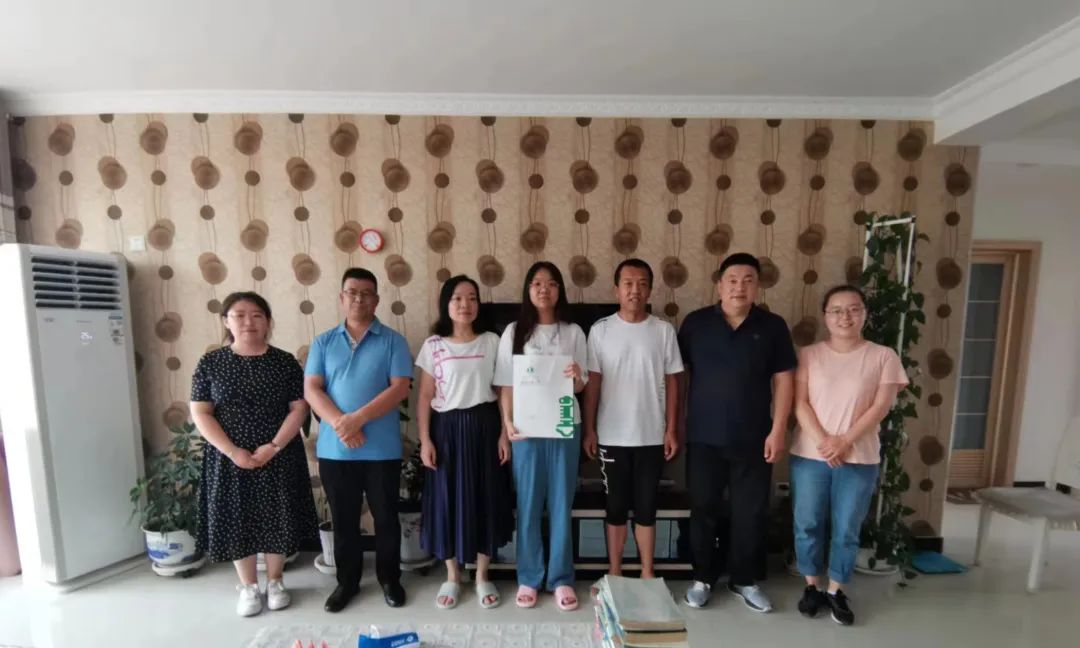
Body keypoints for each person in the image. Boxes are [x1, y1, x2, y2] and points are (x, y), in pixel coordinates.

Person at [679, 252, 796, 613]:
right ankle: (702, 578)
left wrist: (778, 430)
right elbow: (678, 377)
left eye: (748, 280)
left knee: (750, 512)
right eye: (732, 280)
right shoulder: (696, 323)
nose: (739, 287)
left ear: (757, 286)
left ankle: (744, 579)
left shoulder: (772, 326)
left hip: (754, 437)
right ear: (719, 285)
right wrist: (675, 425)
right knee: (703, 508)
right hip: (703, 436)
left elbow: (784, 380)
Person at [190, 291, 318, 617]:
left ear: (268, 322)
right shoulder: (211, 363)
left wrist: (273, 447)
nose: (249, 322)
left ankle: (276, 581)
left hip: (278, 454)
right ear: (226, 321)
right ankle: (248, 586)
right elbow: (201, 413)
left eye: (257, 315)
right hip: (229, 457)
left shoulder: (284, 362)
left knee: (278, 514)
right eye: (239, 315)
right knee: (237, 518)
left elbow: (299, 408)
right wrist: (233, 451)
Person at [791, 285, 907, 626]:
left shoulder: (883, 356)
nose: (846, 316)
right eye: (837, 310)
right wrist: (825, 442)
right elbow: (799, 403)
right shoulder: (808, 354)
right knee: (807, 523)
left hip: (859, 457)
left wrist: (844, 441)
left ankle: (836, 590)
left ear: (864, 314)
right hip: (810, 455)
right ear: (826, 316)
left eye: (854, 309)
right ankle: (812, 586)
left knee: (847, 528)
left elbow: (881, 406)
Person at [304, 268, 412, 612]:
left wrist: (357, 420)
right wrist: (341, 424)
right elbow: (312, 389)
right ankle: (347, 583)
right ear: (341, 298)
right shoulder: (323, 342)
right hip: (335, 450)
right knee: (344, 520)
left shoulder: (394, 341)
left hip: (382, 450)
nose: (359, 299)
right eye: (352, 292)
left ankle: (389, 579)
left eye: (366, 293)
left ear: (376, 300)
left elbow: (400, 388)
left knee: (386, 518)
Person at [495, 261, 588, 610]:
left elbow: (581, 386)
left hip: (565, 425)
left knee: (562, 502)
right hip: (527, 429)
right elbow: (506, 383)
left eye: (551, 283)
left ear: (559, 290)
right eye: (536, 283)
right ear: (528, 290)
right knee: (529, 502)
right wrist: (507, 422)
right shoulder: (514, 332)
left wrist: (577, 376)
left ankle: (561, 578)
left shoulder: (574, 332)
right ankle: (529, 576)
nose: (544, 289)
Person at [416, 274, 512, 609]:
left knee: (486, 497)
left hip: (485, 427)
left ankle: (483, 575)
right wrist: (425, 440)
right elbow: (424, 396)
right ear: (446, 303)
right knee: (446, 499)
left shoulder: (492, 341)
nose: (465, 304)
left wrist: (504, 433)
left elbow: (503, 390)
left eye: (472, 298)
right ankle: (452, 576)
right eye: (457, 298)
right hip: (446, 430)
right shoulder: (433, 345)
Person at [584, 258, 683, 580]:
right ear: (616, 289)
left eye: (642, 284)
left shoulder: (663, 331)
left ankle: (647, 572)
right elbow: (593, 382)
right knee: (615, 507)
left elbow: (674, 381)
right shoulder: (600, 330)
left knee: (646, 507)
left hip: (651, 435)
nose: (635, 290)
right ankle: (614, 572)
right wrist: (589, 429)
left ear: (650, 290)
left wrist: (671, 429)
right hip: (612, 435)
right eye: (628, 283)